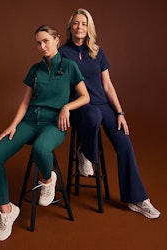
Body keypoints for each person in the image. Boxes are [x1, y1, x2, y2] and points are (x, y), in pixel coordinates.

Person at [0, 24, 90, 241]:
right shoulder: (35, 69)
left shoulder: (69, 67)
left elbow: (85, 97)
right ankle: (7, 212)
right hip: (31, 121)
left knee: (41, 149)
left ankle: (48, 179)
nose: (42, 46)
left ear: (57, 40)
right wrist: (13, 125)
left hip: (54, 124)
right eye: (38, 43)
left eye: (46, 41)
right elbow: (25, 103)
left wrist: (66, 107)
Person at [59, 8, 161, 219]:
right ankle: (86, 153)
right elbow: (59, 86)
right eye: (76, 23)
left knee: (124, 142)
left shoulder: (98, 52)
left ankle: (137, 199)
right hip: (81, 107)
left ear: (89, 29)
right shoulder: (62, 53)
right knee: (93, 116)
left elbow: (107, 86)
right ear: (70, 27)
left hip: (103, 105)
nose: (80, 27)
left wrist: (120, 112)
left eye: (84, 24)